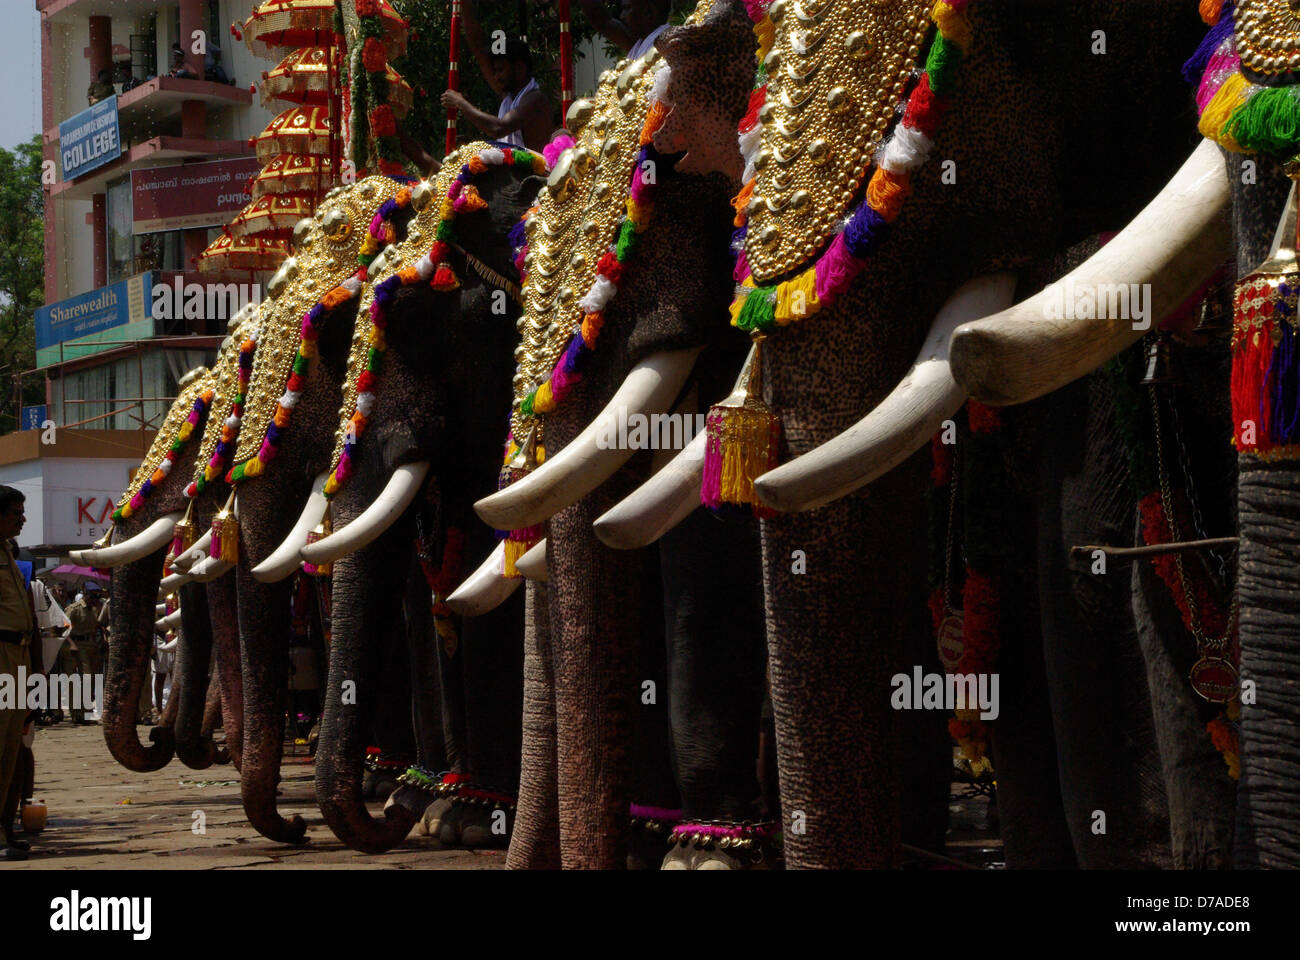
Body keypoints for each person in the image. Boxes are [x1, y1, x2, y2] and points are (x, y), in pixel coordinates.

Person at [439, 0, 553, 152]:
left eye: (501, 70)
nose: (496, 76)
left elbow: (498, 128)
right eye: (495, 71)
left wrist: (460, 102)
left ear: (519, 68)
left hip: (535, 175)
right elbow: (478, 46)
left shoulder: (534, 99)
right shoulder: (510, 95)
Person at [0, 486, 38, 860]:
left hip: (17, 654)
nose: (22, 518)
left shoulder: (10, 554)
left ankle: (4, 827)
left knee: (12, 747)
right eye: (15, 512)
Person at [577, 0, 672, 58]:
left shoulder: (670, 46)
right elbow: (601, 19)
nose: (622, 16)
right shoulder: (640, 45)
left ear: (648, 12)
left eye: (627, 8)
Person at [62, 590, 102, 724]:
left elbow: (98, 626)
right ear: (86, 595)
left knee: (91, 680)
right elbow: (64, 628)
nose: (94, 599)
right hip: (77, 645)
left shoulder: (95, 609)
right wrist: (71, 644)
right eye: (93, 596)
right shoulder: (74, 609)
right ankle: (77, 713)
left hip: (91, 645)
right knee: (80, 679)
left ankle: (87, 712)